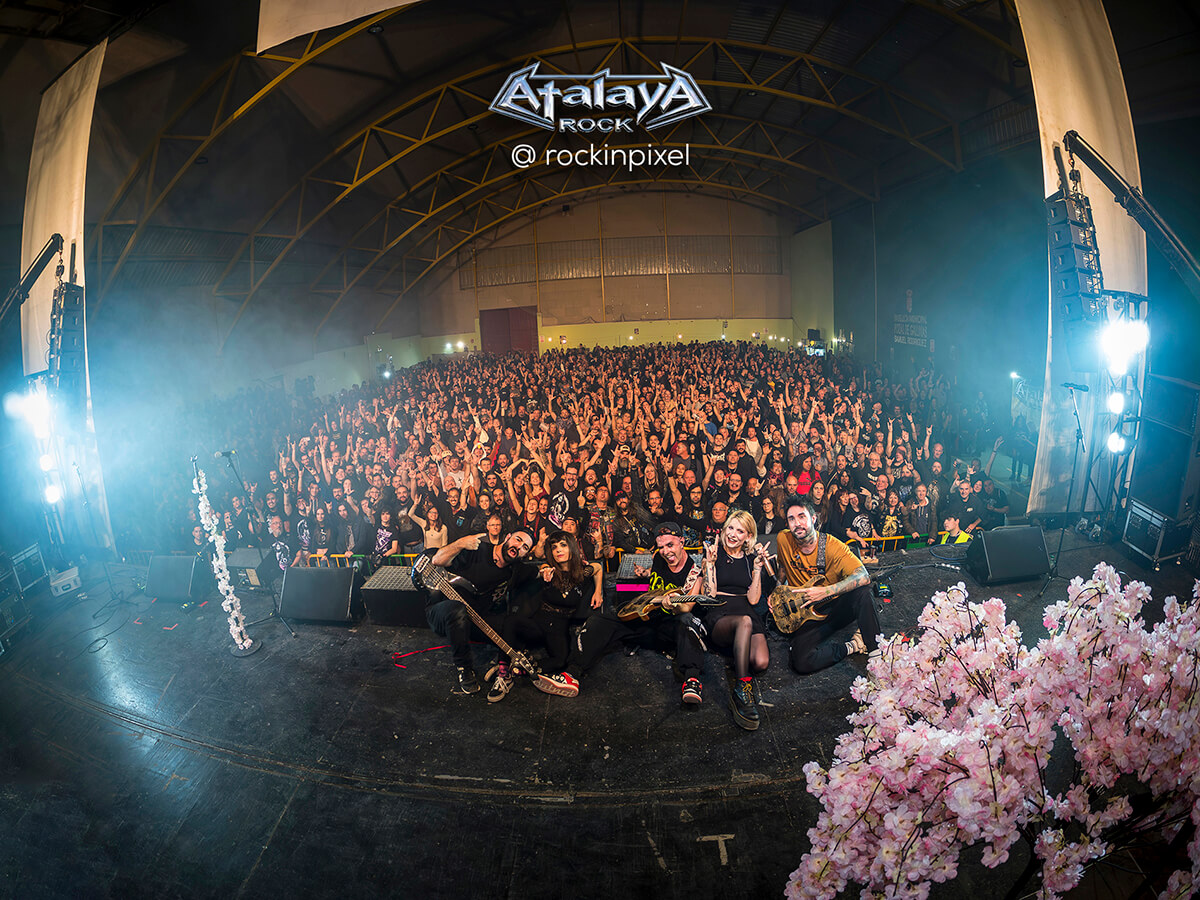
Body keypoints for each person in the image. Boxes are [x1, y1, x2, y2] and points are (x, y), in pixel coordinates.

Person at [564, 522, 707, 706]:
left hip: (670, 631)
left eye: (670, 545)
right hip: (648, 623)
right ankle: (572, 673)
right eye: (661, 547)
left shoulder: (694, 573)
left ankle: (692, 680)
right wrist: (645, 573)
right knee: (600, 619)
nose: (665, 552)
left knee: (687, 621)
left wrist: (674, 604)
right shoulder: (659, 557)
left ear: (682, 542)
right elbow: (656, 574)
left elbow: (687, 608)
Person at [488, 531, 602, 702]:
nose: (558, 550)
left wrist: (598, 591)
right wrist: (544, 573)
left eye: (563, 545)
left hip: (559, 629)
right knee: (511, 621)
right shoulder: (549, 570)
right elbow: (543, 570)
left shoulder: (582, 573)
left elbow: (598, 568)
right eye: (554, 547)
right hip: (539, 624)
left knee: (561, 662)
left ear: (572, 548)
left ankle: (518, 669)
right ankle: (503, 672)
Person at [776, 494, 880, 676]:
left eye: (801, 516)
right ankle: (853, 646)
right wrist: (777, 593)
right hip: (805, 613)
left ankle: (877, 662)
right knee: (801, 662)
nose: (797, 523)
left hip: (834, 607)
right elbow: (783, 568)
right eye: (791, 519)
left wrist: (826, 591)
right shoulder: (783, 539)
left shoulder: (833, 546)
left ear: (813, 518)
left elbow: (863, 576)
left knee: (863, 592)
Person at [427, 529, 535, 694]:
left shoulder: (515, 570)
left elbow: (539, 571)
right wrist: (460, 543)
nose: (519, 546)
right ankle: (464, 668)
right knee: (457, 609)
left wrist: (547, 569)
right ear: (507, 537)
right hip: (443, 612)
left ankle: (506, 664)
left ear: (525, 554)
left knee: (513, 626)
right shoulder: (477, 549)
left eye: (525, 547)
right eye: (518, 540)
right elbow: (436, 560)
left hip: (475, 619)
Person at [700, 510, 773, 731]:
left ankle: (736, 652)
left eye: (740, 531)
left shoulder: (750, 559)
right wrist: (710, 564)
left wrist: (758, 569)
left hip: (745, 610)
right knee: (744, 622)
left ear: (748, 536)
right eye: (730, 528)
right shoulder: (714, 553)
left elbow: (753, 599)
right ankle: (742, 690)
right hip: (721, 612)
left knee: (761, 662)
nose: (733, 534)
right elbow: (709, 595)